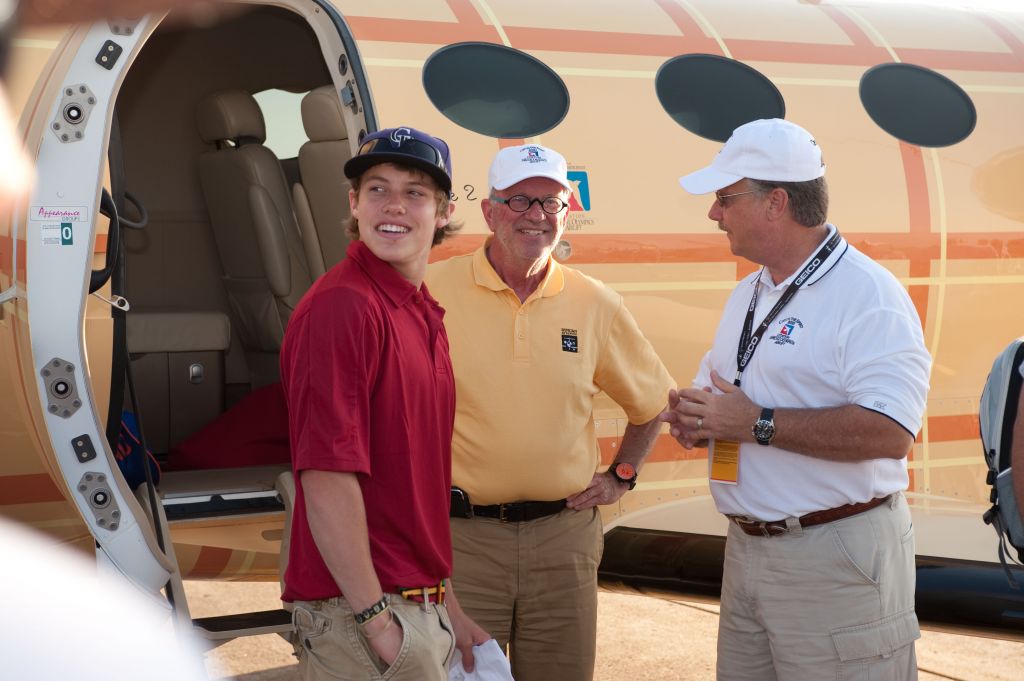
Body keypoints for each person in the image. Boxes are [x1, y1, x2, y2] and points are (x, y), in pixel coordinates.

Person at [662, 118, 931, 681]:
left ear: (775, 202)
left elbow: (890, 431)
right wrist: (700, 419)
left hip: (836, 557)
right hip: (749, 551)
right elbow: (726, 396)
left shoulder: (868, 295)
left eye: (724, 198)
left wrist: (754, 423)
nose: (714, 213)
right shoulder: (750, 291)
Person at [426, 143, 673, 681]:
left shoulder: (595, 302)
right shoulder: (430, 291)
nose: (536, 216)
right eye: (519, 202)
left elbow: (653, 404)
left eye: (551, 203)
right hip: (462, 541)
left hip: (564, 540)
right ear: (489, 212)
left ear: (567, 214)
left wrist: (621, 477)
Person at [279, 126, 489, 680]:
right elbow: (325, 475)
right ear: (353, 203)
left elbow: (413, 483)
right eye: (378, 189)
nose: (394, 206)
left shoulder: (420, 310)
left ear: (442, 212)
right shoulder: (345, 307)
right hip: (363, 615)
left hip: (415, 604)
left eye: (416, 193)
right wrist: (377, 624)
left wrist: (448, 605)